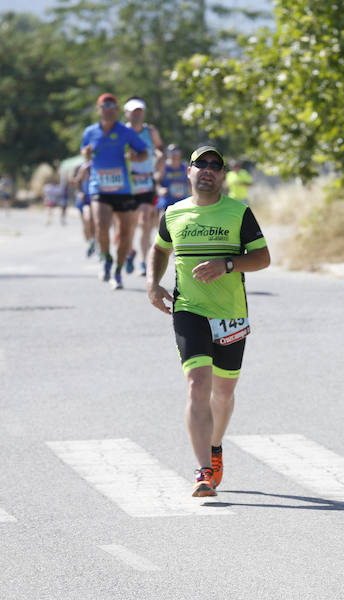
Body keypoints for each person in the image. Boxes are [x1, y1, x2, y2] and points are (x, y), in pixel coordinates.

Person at [146, 145, 270, 497]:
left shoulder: (238, 213)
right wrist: (152, 283)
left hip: (231, 313)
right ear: (189, 171)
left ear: (223, 175)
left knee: (224, 392)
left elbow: (262, 257)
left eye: (215, 165)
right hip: (189, 310)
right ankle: (202, 471)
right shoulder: (173, 213)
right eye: (201, 164)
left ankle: (215, 446)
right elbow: (159, 249)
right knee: (198, 384)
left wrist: (227, 264)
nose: (208, 169)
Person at [80, 93, 149, 290]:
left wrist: (136, 158)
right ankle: (106, 258)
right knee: (101, 224)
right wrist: (86, 153)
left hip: (123, 188)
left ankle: (117, 271)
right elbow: (84, 151)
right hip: (99, 186)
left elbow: (144, 152)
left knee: (125, 233)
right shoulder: (90, 132)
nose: (108, 110)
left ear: (117, 110)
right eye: (104, 107)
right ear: (98, 110)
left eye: (111, 107)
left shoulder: (126, 132)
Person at [123, 97, 164, 277]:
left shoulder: (151, 131)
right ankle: (130, 252)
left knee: (145, 220)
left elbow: (159, 148)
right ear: (127, 113)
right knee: (130, 223)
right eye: (134, 111)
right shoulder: (122, 131)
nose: (137, 114)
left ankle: (143, 261)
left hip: (147, 180)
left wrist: (160, 157)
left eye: (139, 111)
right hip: (129, 182)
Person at [156, 144, 190, 212]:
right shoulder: (163, 167)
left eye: (176, 151)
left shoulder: (185, 166)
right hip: (167, 203)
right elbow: (156, 182)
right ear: (167, 153)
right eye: (170, 151)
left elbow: (190, 183)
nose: (173, 154)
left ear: (180, 153)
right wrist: (159, 190)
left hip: (182, 202)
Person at [73, 160, 96, 257]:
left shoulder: (96, 164)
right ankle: (89, 242)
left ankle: (94, 241)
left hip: (94, 198)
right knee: (86, 221)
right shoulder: (80, 166)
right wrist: (79, 193)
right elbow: (76, 181)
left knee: (93, 222)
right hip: (83, 199)